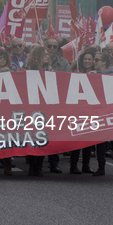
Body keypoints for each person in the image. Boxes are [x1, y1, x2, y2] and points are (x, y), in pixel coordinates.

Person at [91, 52, 113, 178]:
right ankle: (101, 166)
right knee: (100, 141)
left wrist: (98, 76)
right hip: (99, 110)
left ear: (104, 62)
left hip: (111, 110)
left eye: (97, 60)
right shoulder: (92, 74)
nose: (94, 62)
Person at [68, 47, 98, 174]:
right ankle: (73, 165)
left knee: (88, 140)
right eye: (85, 59)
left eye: (89, 59)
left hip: (91, 110)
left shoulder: (98, 73)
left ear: (93, 61)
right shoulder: (76, 72)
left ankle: (86, 165)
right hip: (77, 110)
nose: (87, 61)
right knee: (76, 139)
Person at [44, 37, 71, 174]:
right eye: (49, 46)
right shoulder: (38, 60)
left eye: (55, 47)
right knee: (40, 132)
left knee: (54, 133)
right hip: (40, 103)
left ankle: (54, 163)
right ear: (45, 47)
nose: (52, 49)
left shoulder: (63, 63)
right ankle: (36, 162)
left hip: (56, 103)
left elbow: (67, 79)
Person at [25, 46, 51, 176]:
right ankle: (32, 164)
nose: (48, 56)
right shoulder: (27, 70)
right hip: (31, 107)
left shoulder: (51, 71)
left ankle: (39, 165)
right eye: (45, 54)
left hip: (45, 108)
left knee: (43, 136)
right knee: (31, 137)